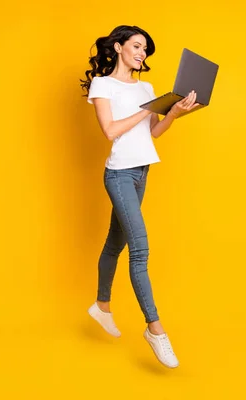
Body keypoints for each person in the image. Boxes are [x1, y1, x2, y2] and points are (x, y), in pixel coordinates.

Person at [80, 25, 199, 369]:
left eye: (145, 49)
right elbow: (111, 131)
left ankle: (101, 307)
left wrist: (173, 113)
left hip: (142, 171)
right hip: (118, 174)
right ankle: (155, 329)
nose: (142, 53)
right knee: (140, 250)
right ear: (118, 48)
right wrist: (149, 108)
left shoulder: (146, 87)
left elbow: (154, 134)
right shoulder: (104, 85)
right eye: (136, 46)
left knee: (114, 242)